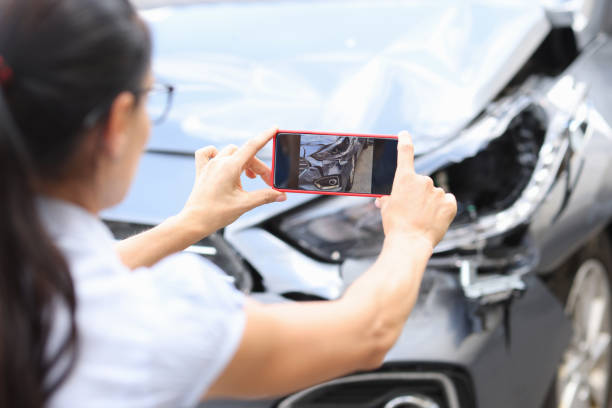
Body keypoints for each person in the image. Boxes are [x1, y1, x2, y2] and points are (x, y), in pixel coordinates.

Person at [0, 0, 457, 407]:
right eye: (150, 97)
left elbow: (66, 280)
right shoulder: (150, 320)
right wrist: (411, 236)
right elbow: (365, 334)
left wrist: (189, 223)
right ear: (115, 124)